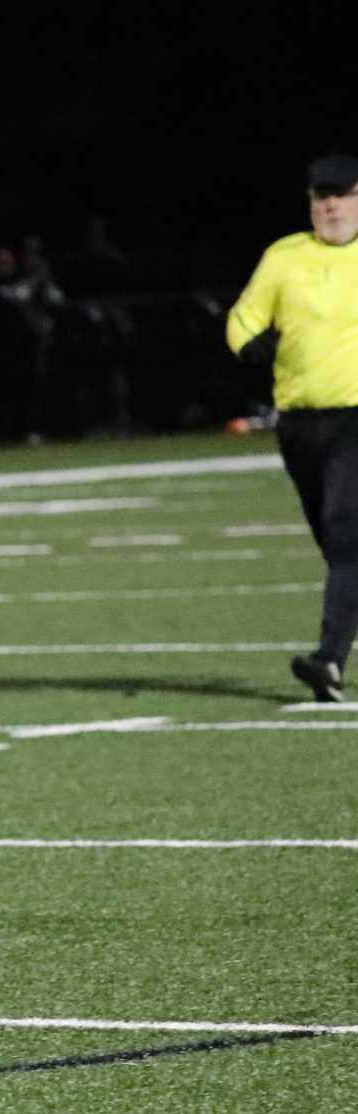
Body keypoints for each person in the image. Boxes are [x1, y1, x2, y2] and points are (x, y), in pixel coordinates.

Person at [228, 152, 358, 702]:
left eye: (340, 194)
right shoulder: (284, 257)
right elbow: (242, 319)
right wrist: (254, 347)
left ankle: (328, 661)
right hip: (301, 424)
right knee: (335, 544)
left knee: (347, 529)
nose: (330, 206)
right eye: (320, 197)